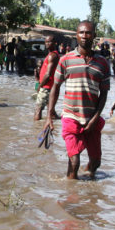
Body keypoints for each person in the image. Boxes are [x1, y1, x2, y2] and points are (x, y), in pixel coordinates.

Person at [45, 21, 110, 180]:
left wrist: (95, 118)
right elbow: (56, 87)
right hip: (70, 116)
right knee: (74, 161)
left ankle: (89, 188)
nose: (85, 36)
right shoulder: (65, 59)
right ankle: (72, 196)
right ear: (76, 35)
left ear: (94, 35)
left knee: (95, 162)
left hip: (91, 117)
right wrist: (49, 116)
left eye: (88, 33)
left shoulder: (102, 63)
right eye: (81, 32)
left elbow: (104, 94)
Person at [34, 35, 61, 120]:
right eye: (46, 42)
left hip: (47, 87)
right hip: (51, 86)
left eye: (49, 42)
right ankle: (55, 127)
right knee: (51, 111)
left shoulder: (52, 56)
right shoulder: (52, 55)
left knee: (38, 110)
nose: (47, 44)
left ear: (55, 43)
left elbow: (48, 74)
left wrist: (40, 86)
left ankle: (36, 129)